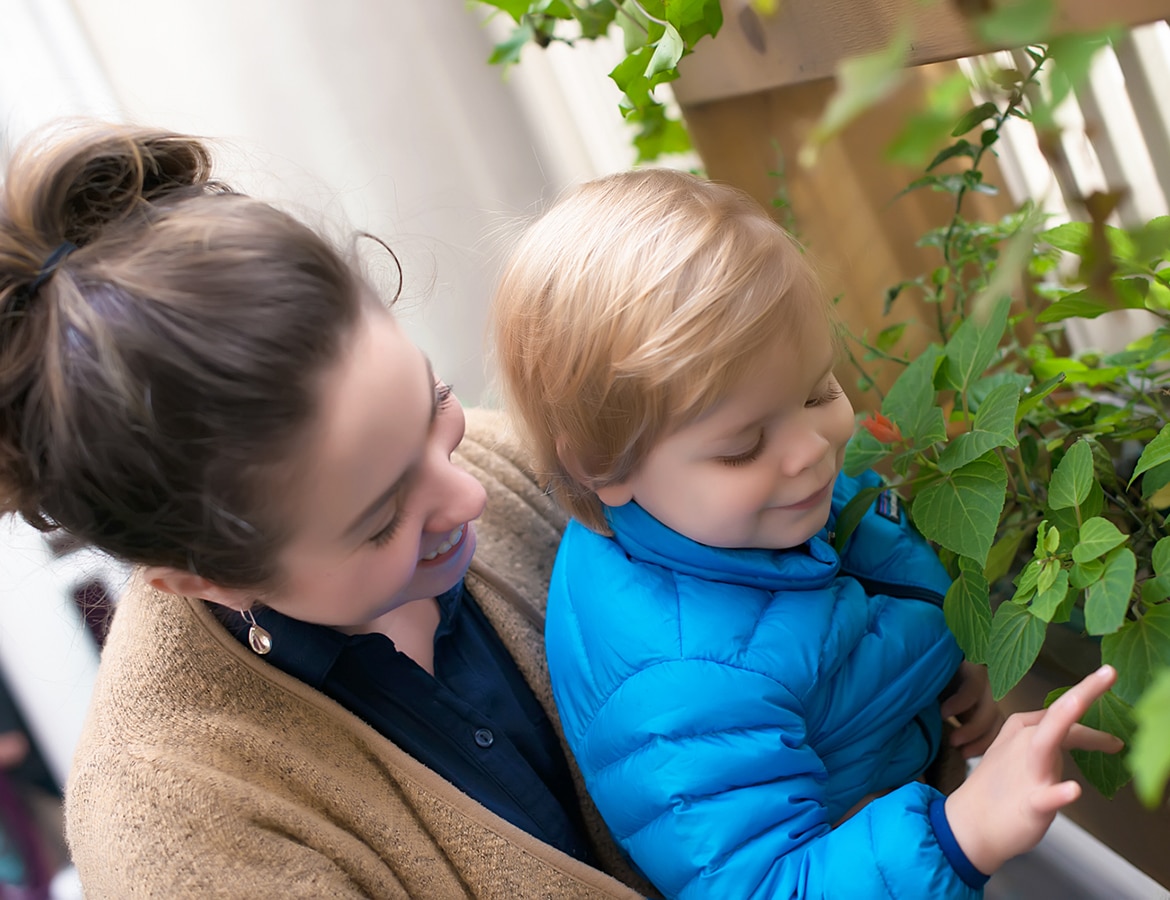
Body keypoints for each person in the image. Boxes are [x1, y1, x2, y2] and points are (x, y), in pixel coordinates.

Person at [0, 122, 658, 898]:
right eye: (381, 520)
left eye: (433, 405)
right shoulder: (179, 827)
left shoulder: (510, 463)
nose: (469, 492)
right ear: (200, 578)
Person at [489, 168, 1124, 899]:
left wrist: (950, 663)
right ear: (601, 464)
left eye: (819, 391)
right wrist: (963, 834)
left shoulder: (754, 500)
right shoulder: (679, 689)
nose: (812, 450)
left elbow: (881, 557)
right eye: (742, 446)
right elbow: (764, 887)